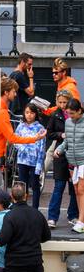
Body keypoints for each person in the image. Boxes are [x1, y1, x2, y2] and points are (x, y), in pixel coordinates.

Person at [0, 76, 45, 242]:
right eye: (14, 91)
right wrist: (34, 139)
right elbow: (12, 137)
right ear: (6, 92)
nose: (16, 94)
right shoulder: (1, 112)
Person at [0, 180, 51, 272]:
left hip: (14, 263)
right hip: (34, 261)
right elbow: (47, 236)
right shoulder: (37, 214)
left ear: (12, 196)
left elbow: (2, 240)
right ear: (26, 195)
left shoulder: (10, 216)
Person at [47, 91, 79, 229]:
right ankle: (52, 217)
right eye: (59, 102)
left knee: (74, 188)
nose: (62, 105)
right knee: (58, 187)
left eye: (64, 102)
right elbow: (49, 133)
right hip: (60, 156)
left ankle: (72, 215)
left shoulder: (76, 116)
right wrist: (61, 134)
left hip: (74, 156)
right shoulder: (55, 115)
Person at [55, 97, 84, 235]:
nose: (70, 116)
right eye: (69, 113)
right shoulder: (68, 122)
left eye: (72, 113)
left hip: (83, 161)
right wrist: (59, 150)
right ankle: (81, 219)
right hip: (72, 161)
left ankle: (81, 221)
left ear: (79, 111)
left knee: (82, 190)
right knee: (77, 191)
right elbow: (66, 143)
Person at [14, 102, 47, 210]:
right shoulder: (20, 126)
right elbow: (15, 140)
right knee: (23, 185)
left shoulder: (40, 128)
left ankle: (34, 209)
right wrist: (23, 148)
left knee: (35, 185)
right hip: (22, 161)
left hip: (34, 162)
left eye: (32, 113)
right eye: (27, 112)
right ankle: (22, 208)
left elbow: (42, 148)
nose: (29, 115)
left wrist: (39, 165)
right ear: (24, 113)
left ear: (35, 114)